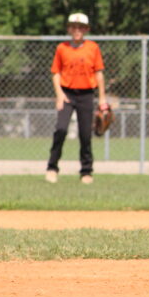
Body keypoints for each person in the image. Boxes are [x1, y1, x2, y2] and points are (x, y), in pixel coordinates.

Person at [46, 13, 108, 185]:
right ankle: (52, 168)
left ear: (86, 30)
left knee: (85, 135)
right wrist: (59, 95)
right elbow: (55, 73)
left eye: (81, 27)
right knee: (61, 130)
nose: (77, 30)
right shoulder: (62, 48)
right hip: (67, 93)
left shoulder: (93, 48)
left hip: (87, 94)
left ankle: (86, 172)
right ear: (68, 29)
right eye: (73, 26)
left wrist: (102, 99)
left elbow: (99, 73)